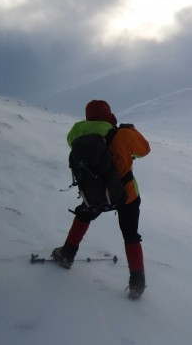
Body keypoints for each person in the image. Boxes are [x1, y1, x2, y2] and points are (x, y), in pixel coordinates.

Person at [52, 100, 151, 299]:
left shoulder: (76, 132)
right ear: (108, 115)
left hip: (94, 192)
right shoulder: (123, 134)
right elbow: (144, 150)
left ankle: (67, 254)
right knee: (130, 234)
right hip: (126, 194)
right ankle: (137, 282)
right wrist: (130, 129)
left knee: (83, 215)